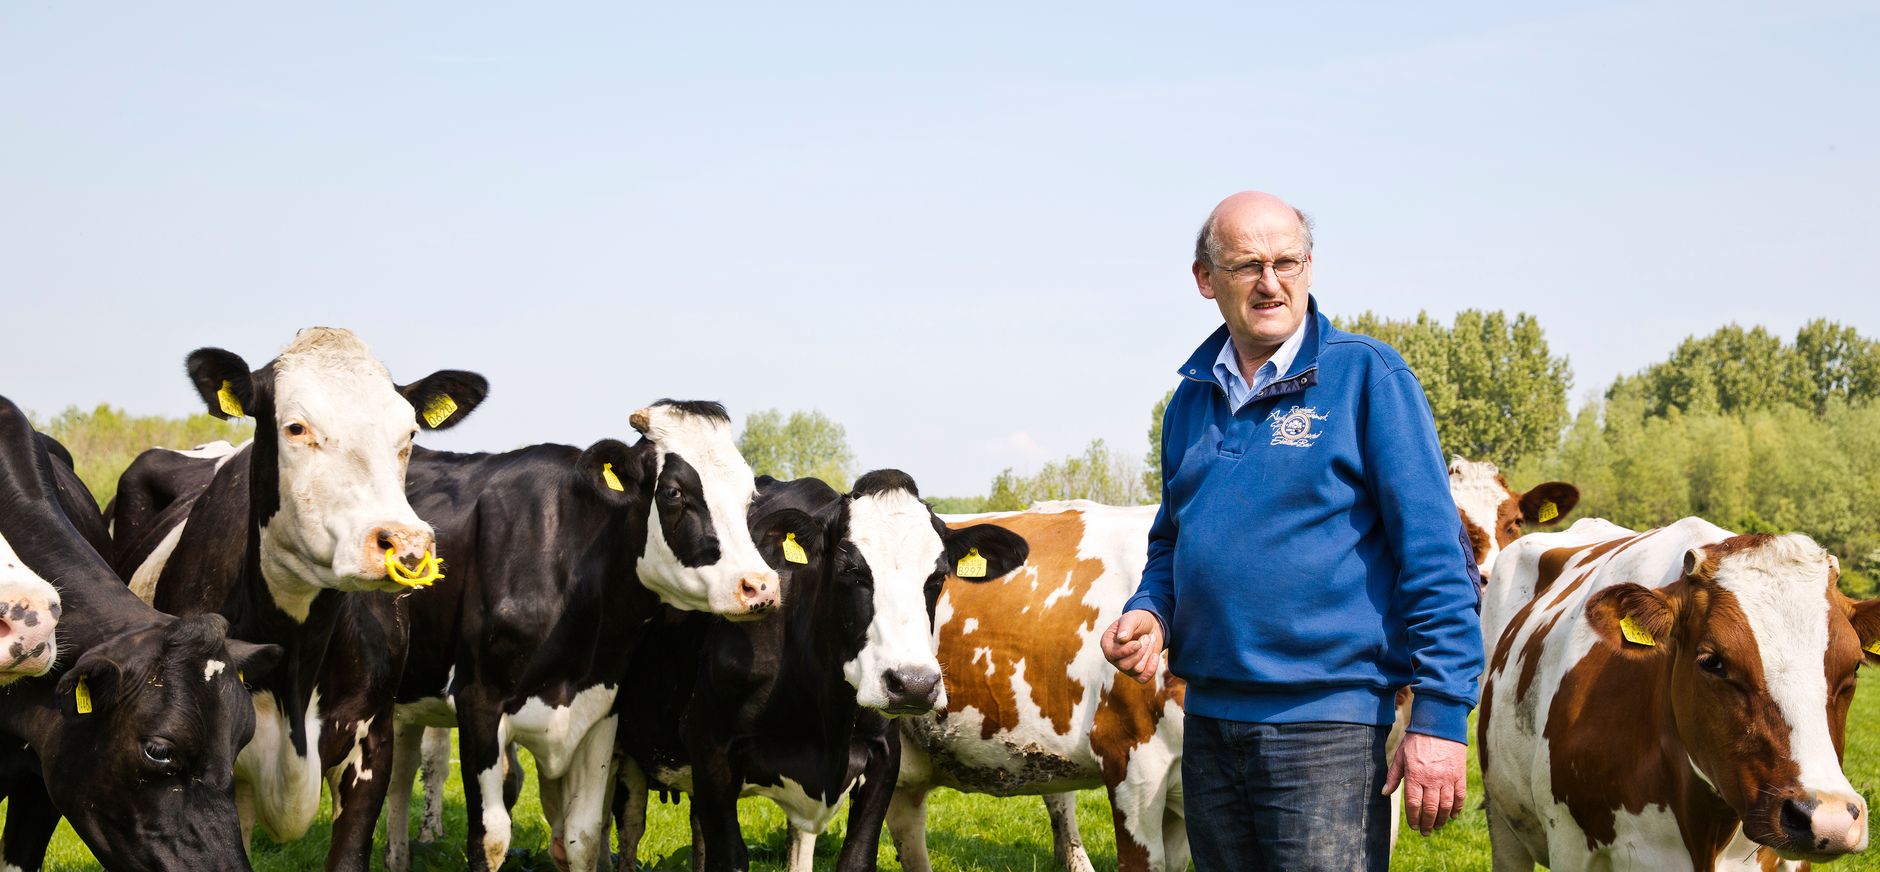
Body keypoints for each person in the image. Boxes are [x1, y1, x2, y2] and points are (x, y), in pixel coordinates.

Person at [1101, 191, 1483, 870]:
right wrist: (1151, 610)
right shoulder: (1190, 400)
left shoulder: (1368, 377)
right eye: (1248, 265)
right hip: (1211, 719)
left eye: (1287, 261)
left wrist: (1441, 718)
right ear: (1205, 279)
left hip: (1327, 726)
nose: (1270, 283)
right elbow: (1173, 542)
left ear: (1311, 266)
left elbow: (1435, 556)